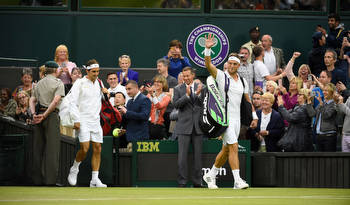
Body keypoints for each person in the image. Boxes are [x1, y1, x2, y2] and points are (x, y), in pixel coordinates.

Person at [203, 34, 258, 189]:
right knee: (233, 146)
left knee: (227, 150)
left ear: (238, 66)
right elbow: (209, 66)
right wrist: (207, 50)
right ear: (227, 64)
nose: (232, 66)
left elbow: (247, 101)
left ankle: (210, 175)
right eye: (230, 64)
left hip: (237, 120)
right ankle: (237, 181)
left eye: (235, 64)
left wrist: (253, 116)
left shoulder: (242, 81)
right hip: (224, 119)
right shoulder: (221, 76)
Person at [67, 59, 108, 188]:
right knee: (84, 148)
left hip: (95, 121)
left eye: (98, 71)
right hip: (82, 119)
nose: (96, 74)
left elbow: (98, 100)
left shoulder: (99, 83)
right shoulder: (79, 83)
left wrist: (105, 94)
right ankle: (74, 168)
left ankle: (94, 180)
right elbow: (72, 102)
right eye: (93, 72)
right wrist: (76, 120)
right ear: (87, 71)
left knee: (97, 149)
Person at [29, 61, 64, 185]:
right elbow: (55, 102)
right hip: (50, 116)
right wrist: (44, 115)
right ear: (55, 70)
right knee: (52, 150)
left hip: (38, 116)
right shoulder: (58, 83)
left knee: (37, 149)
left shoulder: (39, 83)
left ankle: (37, 180)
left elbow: (32, 100)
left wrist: (34, 115)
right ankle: (50, 181)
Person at [173, 66, 204, 187]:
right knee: (182, 158)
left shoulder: (202, 87)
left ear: (193, 76)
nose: (185, 78)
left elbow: (204, 104)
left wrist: (196, 94)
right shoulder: (178, 89)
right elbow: (176, 105)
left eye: (187, 76)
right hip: (183, 127)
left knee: (198, 157)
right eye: (183, 76)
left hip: (198, 127)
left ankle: (197, 182)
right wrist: (186, 96)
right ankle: (182, 182)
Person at [313, 83, 338, 152]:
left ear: (332, 92)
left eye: (326, 90)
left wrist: (321, 104)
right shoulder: (322, 103)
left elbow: (326, 115)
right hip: (319, 136)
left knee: (329, 161)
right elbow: (313, 113)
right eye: (323, 90)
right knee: (319, 161)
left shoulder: (334, 104)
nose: (324, 92)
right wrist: (309, 102)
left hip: (329, 136)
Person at [156, 58, 178, 137]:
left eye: (160, 66)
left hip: (169, 111)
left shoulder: (172, 80)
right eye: (157, 66)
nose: (158, 68)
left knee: (170, 134)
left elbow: (171, 94)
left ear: (166, 67)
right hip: (157, 112)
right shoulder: (155, 79)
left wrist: (158, 93)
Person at [147, 75, 171, 140]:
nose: (156, 83)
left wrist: (153, 95)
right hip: (146, 123)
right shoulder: (149, 95)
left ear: (163, 84)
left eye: (159, 82)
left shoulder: (166, 97)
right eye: (155, 81)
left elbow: (159, 106)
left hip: (157, 125)